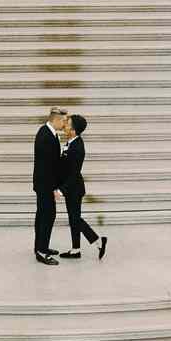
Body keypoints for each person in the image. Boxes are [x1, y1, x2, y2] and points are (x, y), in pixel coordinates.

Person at [57, 113, 107, 261]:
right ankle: (76, 250)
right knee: (74, 219)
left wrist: (61, 190)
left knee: (75, 218)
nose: (64, 125)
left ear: (73, 130)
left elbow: (74, 174)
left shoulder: (78, 147)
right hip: (71, 187)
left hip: (74, 188)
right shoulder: (72, 141)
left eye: (67, 124)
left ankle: (98, 240)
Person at [32, 106, 68, 264]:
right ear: (57, 119)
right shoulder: (46, 136)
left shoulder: (48, 133)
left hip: (43, 184)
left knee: (42, 215)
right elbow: (47, 167)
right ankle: (41, 251)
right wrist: (54, 188)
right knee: (47, 216)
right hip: (45, 184)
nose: (65, 124)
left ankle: (41, 246)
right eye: (64, 121)